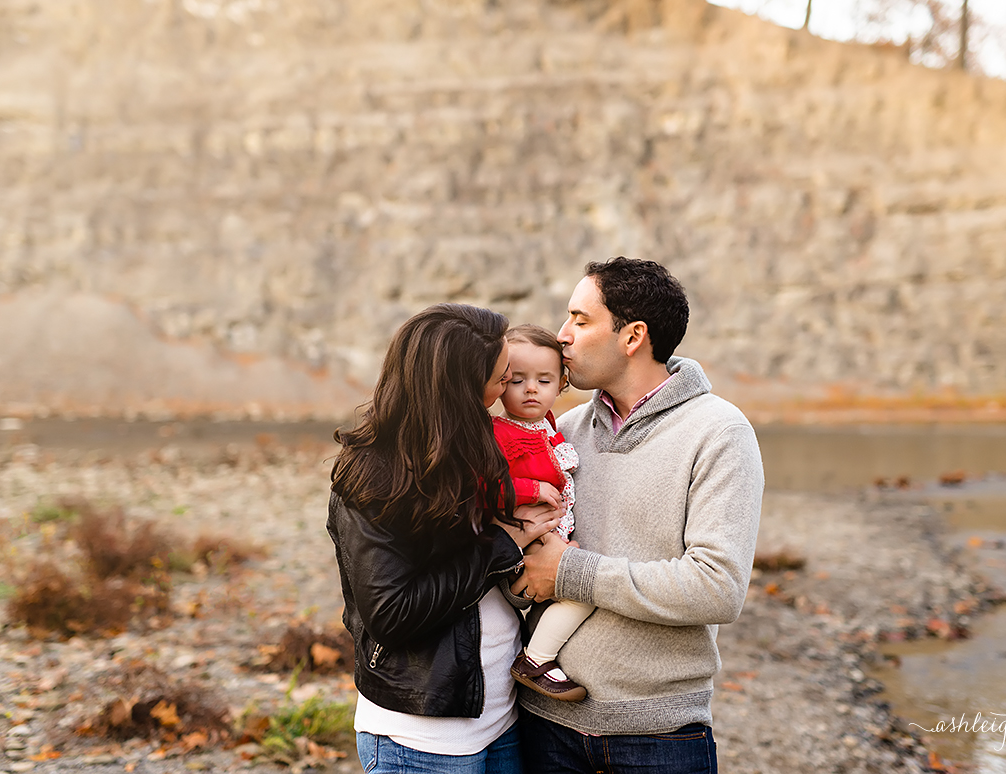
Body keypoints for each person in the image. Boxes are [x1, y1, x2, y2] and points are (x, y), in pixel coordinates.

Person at [510, 258, 764, 774]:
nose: (562, 337)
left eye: (581, 320)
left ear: (633, 336)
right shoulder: (561, 434)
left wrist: (572, 573)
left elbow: (718, 587)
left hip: (657, 739)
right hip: (543, 727)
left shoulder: (718, 432)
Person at [327, 303, 561, 774]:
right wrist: (502, 547)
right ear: (458, 390)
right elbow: (391, 614)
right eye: (501, 378)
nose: (505, 391)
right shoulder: (375, 475)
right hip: (421, 738)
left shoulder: (475, 440)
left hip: (502, 722)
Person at [491, 324, 593, 703]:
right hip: (523, 537)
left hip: (547, 533)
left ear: (561, 384)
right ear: (500, 382)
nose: (531, 389)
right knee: (582, 593)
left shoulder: (548, 424)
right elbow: (482, 486)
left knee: (571, 584)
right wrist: (531, 489)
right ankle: (536, 659)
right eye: (517, 380)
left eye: (544, 380)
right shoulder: (498, 433)